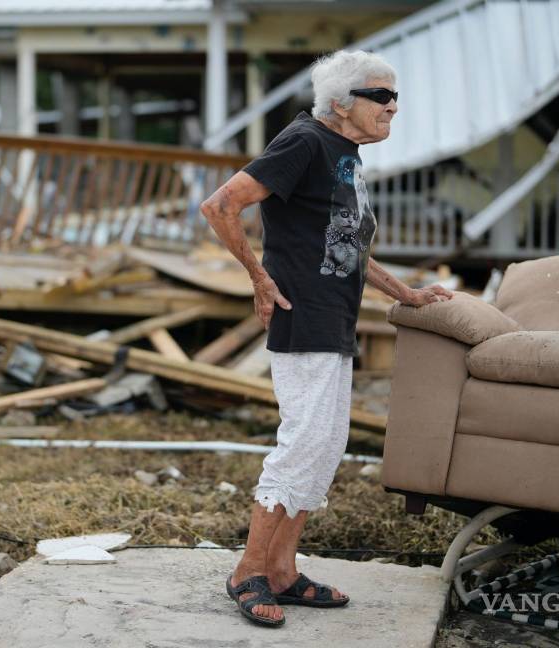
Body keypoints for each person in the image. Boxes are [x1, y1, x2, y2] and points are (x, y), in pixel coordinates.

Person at [200, 48, 453, 628]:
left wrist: (406, 294)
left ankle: (283, 571)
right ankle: (248, 572)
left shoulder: (345, 153)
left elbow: (350, 245)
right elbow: (219, 206)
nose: (394, 106)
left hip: (333, 316)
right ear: (342, 102)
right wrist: (259, 279)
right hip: (302, 314)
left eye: (396, 96)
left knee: (325, 444)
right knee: (302, 444)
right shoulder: (305, 142)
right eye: (381, 96)